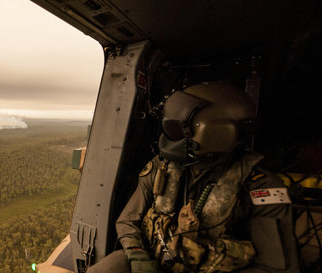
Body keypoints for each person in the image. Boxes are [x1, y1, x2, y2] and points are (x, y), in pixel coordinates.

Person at [87, 82, 299, 272]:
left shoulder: (262, 186)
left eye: (180, 129)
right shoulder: (163, 167)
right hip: (154, 261)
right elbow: (127, 221)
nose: (171, 136)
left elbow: (274, 266)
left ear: (214, 132)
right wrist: (136, 254)